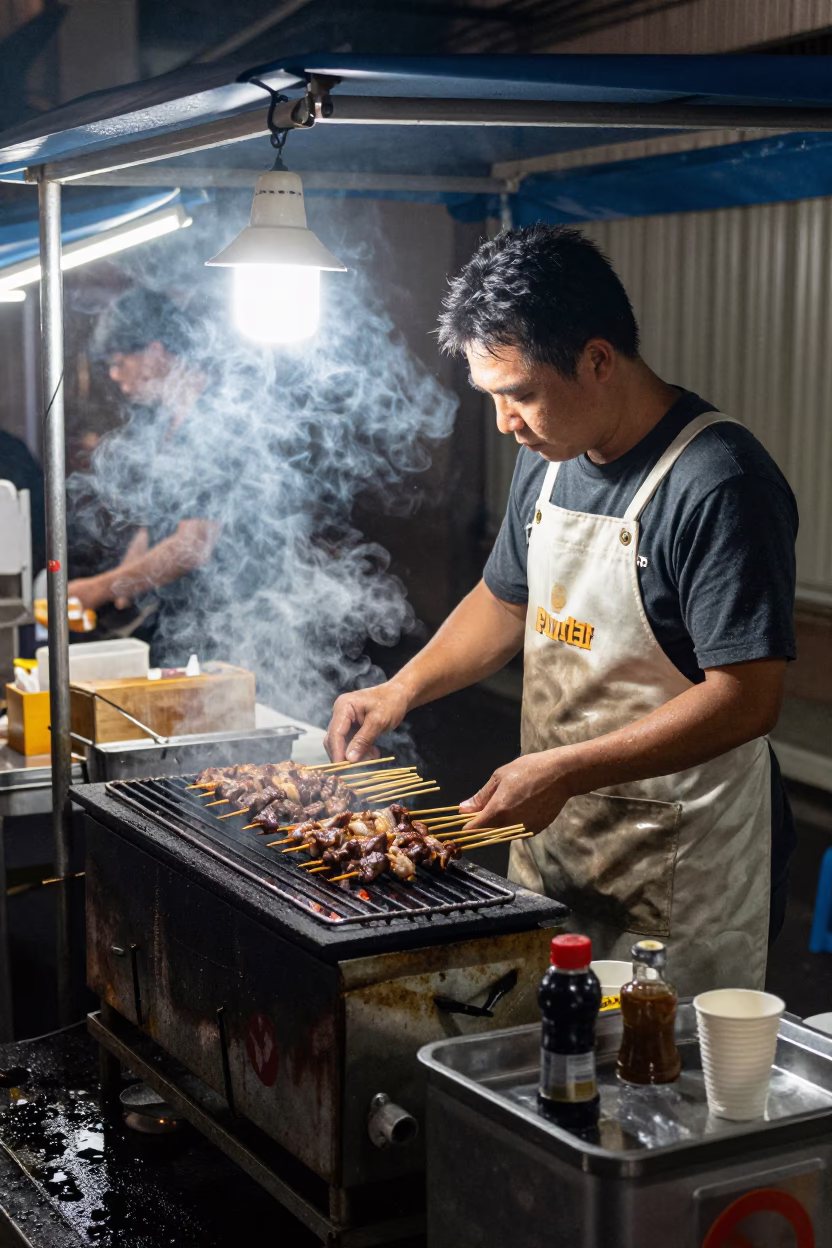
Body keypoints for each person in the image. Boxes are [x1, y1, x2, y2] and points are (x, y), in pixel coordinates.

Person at [324, 225, 798, 996]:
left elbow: (749, 698)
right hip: (553, 833)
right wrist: (399, 689)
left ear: (598, 360)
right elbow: (504, 601)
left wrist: (568, 770)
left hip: (679, 861)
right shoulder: (547, 462)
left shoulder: (718, 482)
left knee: (655, 1085)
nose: (507, 422)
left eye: (520, 395)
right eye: (493, 398)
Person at [67, 287, 222, 664]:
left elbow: (193, 545)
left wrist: (100, 589)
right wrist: (126, 580)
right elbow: (153, 529)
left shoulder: (217, 419)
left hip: (227, 620)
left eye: (119, 362)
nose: (116, 377)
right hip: (178, 621)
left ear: (154, 351)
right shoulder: (164, 421)